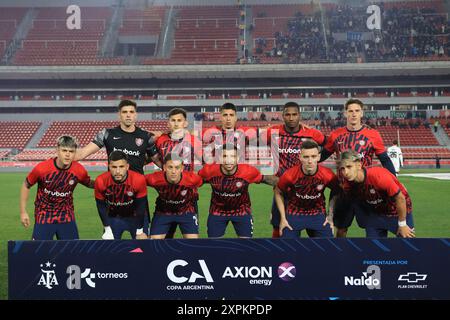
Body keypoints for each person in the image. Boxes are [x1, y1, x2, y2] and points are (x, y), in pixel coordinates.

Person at [75, 99, 161, 236]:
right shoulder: (107, 134)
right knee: (111, 250)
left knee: (143, 247)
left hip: (137, 199)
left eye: (131, 112)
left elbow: (160, 162)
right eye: (124, 112)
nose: (128, 115)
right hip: (113, 201)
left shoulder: (145, 137)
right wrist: (59, 157)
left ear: (136, 115)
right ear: (119, 115)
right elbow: (81, 154)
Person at [320, 98, 396, 238]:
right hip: (343, 190)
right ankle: (340, 257)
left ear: (362, 113)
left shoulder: (373, 134)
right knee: (341, 230)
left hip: (367, 191)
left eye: (357, 111)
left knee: (373, 229)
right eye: (350, 111)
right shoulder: (336, 135)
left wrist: (394, 180)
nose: (353, 114)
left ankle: (375, 258)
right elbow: (321, 156)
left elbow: (385, 159)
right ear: (345, 113)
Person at [262, 101, 326, 238]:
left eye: (294, 114)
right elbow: (250, 139)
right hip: (283, 188)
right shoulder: (272, 132)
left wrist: (317, 162)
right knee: (278, 225)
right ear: (282, 116)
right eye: (288, 114)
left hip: (306, 188)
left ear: (299, 115)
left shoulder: (312, 133)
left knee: (314, 229)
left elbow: (329, 145)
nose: (291, 118)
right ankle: (278, 255)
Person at [19, 136, 93, 240]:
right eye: (64, 150)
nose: (67, 154)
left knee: (71, 252)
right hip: (44, 216)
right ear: (57, 150)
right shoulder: (42, 168)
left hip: (66, 216)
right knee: (39, 252)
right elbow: (26, 185)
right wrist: (23, 212)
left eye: (71, 151)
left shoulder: (79, 170)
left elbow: (89, 183)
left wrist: (108, 181)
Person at [198, 144, 278, 238]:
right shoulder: (209, 170)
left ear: (238, 158)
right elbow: (195, 179)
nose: (228, 160)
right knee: (214, 245)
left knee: (246, 246)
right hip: (217, 212)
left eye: (232, 156)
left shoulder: (248, 171)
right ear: (219, 158)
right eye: (225, 156)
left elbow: (266, 179)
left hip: (241, 211)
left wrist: (288, 184)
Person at [337, 150, 415, 238]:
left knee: (408, 246)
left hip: (397, 212)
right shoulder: (347, 185)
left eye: (349, 167)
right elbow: (353, 202)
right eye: (342, 169)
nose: (345, 172)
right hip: (376, 214)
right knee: (374, 247)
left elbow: (400, 198)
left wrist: (402, 224)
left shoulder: (378, 176)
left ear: (359, 165)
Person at [155, 108, 203, 238]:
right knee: (163, 241)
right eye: (173, 120)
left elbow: (206, 161)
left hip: (188, 198)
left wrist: (197, 178)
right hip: (166, 198)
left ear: (185, 123)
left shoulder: (193, 140)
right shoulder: (160, 140)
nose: (176, 123)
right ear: (168, 123)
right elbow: (153, 158)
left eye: (179, 120)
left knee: (191, 241)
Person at [275, 140, 338, 238]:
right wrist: (283, 218)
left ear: (319, 157)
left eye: (313, 156)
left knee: (328, 246)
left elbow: (336, 191)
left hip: (317, 213)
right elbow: (278, 192)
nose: (310, 161)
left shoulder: (328, 175)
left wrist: (330, 215)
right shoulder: (289, 175)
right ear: (300, 157)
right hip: (294, 213)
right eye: (306, 157)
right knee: (287, 247)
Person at [145, 154, 203, 239]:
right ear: (164, 167)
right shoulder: (154, 178)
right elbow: (137, 181)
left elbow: (200, 182)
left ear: (182, 168)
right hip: (163, 213)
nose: (173, 171)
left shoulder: (192, 179)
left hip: (186, 212)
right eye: (170, 167)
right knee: (154, 242)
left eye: (177, 167)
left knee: (193, 242)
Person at [94, 151, 148, 240]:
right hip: (114, 217)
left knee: (142, 245)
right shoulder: (100, 181)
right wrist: (107, 228)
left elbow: (141, 207)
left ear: (127, 166)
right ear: (109, 166)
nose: (117, 171)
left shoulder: (138, 179)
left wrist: (140, 230)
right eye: (114, 167)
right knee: (109, 248)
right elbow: (101, 207)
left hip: (135, 217)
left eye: (121, 167)